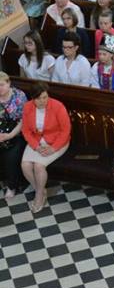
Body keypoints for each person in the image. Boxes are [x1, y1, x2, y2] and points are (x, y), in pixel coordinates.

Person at [21, 83, 71, 214]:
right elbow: (26, 130)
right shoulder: (27, 107)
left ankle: (38, 196)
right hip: (36, 141)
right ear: (33, 98)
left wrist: (53, 148)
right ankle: (40, 190)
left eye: (45, 97)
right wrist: (36, 146)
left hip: (57, 142)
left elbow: (66, 131)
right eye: (39, 98)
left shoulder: (58, 106)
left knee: (38, 166)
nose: (43, 101)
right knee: (25, 165)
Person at [0, 73, 28, 201]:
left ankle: (12, 186)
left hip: (17, 133)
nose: (0, 88)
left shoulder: (19, 96)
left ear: (9, 83)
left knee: (11, 155)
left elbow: (24, 120)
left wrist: (10, 135)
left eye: (2, 85)